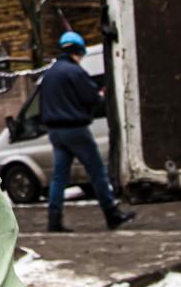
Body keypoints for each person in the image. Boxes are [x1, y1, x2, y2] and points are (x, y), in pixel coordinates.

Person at [39, 31, 136, 232]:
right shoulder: (74, 72)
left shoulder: (49, 73)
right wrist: (100, 95)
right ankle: (112, 214)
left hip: (56, 132)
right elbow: (92, 98)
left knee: (59, 178)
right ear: (78, 51)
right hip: (76, 130)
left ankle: (54, 220)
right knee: (97, 172)